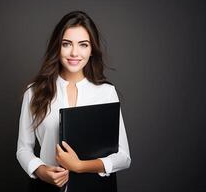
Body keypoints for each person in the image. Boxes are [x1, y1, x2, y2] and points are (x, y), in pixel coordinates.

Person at [16, 10, 131, 192]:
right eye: (67, 44)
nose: (74, 53)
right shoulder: (34, 92)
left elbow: (123, 157)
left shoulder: (106, 93)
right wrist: (42, 171)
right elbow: (23, 149)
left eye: (83, 45)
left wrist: (79, 166)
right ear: (57, 46)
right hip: (46, 188)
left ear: (92, 49)